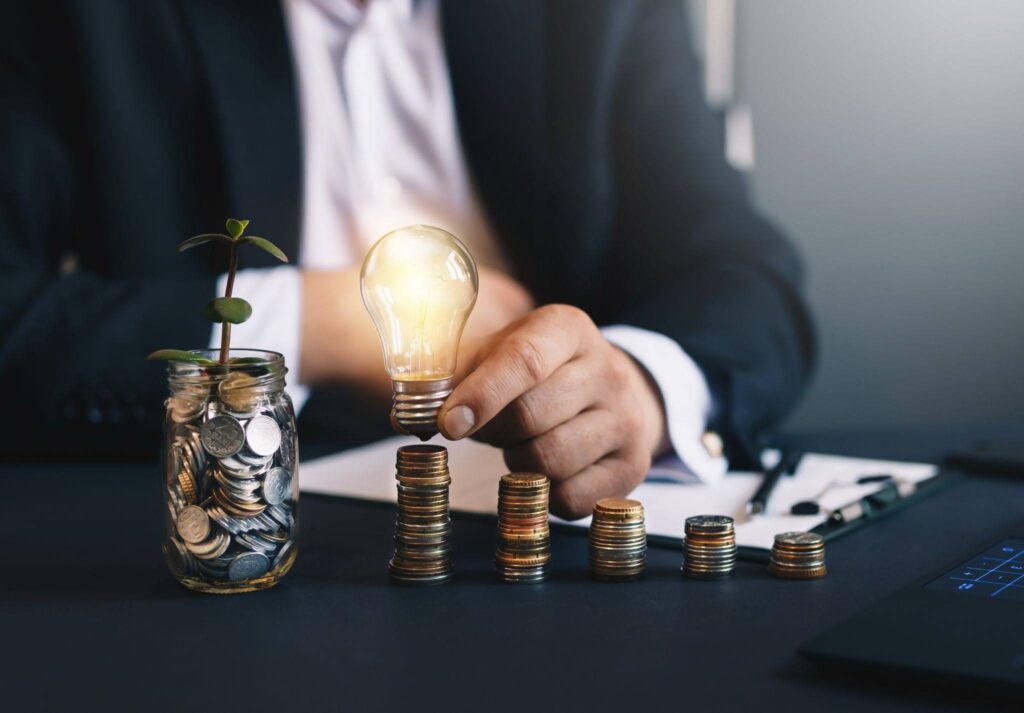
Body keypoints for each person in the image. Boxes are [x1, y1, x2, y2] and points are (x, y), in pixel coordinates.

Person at [0, 0, 814, 519]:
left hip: (538, 551)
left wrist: (639, 383)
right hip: (201, 540)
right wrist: (311, 324)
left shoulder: (593, 16)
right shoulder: (78, 20)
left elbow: (745, 273)